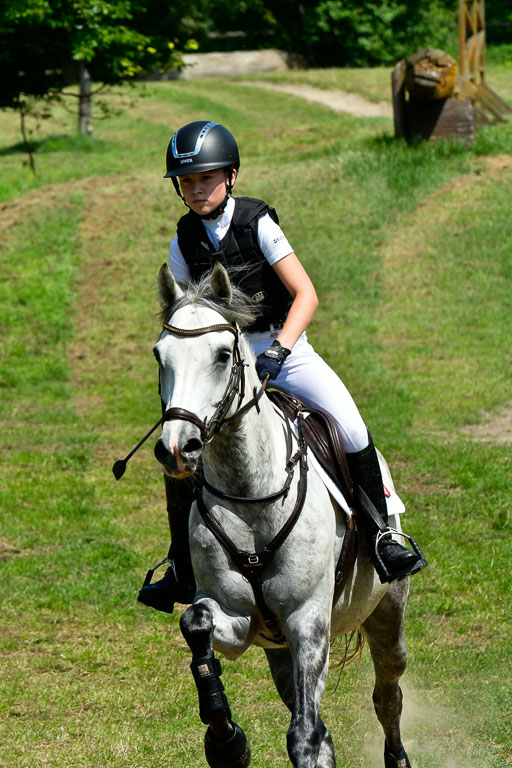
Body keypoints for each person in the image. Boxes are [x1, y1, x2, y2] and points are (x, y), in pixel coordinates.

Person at [138, 120, 425, 615]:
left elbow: (305, 294)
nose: (196, 189)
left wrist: (280, 349)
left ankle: (382, 537)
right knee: (179, 448)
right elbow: (184, 314)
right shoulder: (181, 243)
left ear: (230, 176)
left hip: (281, 348)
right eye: (186, 182)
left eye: (206, 178)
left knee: (352, 428)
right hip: (221, 360)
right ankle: (180, 563)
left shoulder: (258, 224)